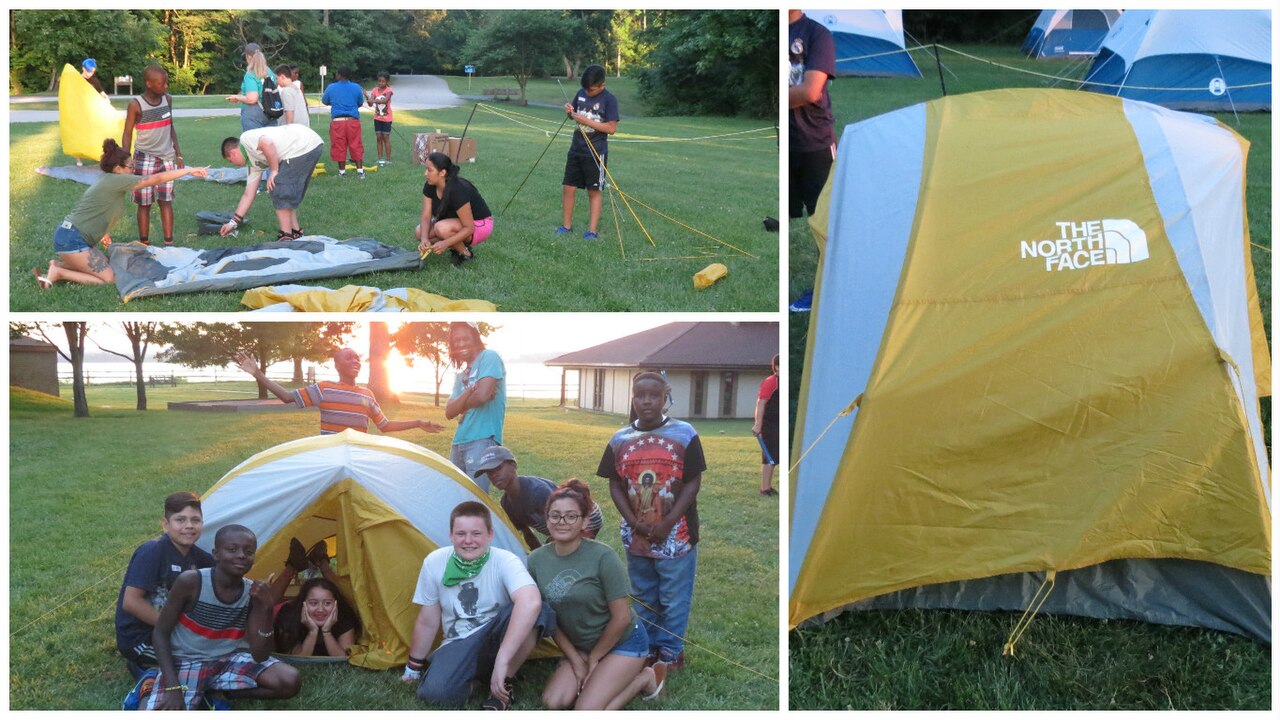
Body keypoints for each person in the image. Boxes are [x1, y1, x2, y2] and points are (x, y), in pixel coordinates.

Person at [597, 372, 705, 670]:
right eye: (640, 395)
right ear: (632, 398)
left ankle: (671, 651)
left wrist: (668, 522)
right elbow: (615, 484)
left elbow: (693, 480)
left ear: (664, 398)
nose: (647, 401)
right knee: (644, 593)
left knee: (673, 596)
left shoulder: (684, 434)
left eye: (654, 396)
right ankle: (648, 646)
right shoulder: (620, 439)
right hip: (637, 536)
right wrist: (634, 522)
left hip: (676, 535)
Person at [402, 501, 555, 710]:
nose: (468, 541)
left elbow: (530, 601)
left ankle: (503, 685)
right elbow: (428, 620)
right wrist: (413, 668)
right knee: (435, 694)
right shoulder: (434, 562)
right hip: (459, 642)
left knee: (538, 611)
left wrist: (502, 660)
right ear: (451, 535)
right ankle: (477, 681)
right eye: (461, 534)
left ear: (490, 535)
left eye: (476, 533)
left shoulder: (505, 560)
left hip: (497, 638)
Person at [528, 480, 665, 710]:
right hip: (581, 646)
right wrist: (575, 660)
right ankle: (599, 673)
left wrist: (594, 659)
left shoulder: (603, 557)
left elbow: (621, 618)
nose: (562, 522)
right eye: (555, 515)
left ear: (584, 521)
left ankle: (645, 678)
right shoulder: (535, 560)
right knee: (553, 701)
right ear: (547, 519)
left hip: (623, 642)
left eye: (571, 516)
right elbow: (550, 618)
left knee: (586, 710)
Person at [135, 525, 301, 710]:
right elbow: (160, 633)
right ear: (215, 554)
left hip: (226, 660)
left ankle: (220, 693)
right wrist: (173, 687)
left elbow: (260, 655)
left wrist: (267, 609)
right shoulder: (191, 582)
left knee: (289, 680)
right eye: (232, 549)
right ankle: (152, 680)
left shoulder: (251, 592)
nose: (241, 555)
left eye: (249, 552)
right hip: (186, 661)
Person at [35, 139, 208, 288]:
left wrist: (103, 235)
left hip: (70, 236)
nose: (133, 170)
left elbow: (96, 211)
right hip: (71, 240)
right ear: (118, 168)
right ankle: (58, 273)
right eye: (131, 167)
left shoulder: (108, 181)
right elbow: (155, 179)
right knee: (108, 278)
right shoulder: (115, 180)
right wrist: (188, 171)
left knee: (106, 263)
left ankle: (57, 265)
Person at [115, 492, 215, 682]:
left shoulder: (200, 558)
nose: (189, 526)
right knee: (196, 664)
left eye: (195, 520)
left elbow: (222, 580)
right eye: (180, 520)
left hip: (174, 634)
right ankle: (144, 670)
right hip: (141, 637)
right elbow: (131, 602)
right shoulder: (152, 551)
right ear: (165, 524)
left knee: (215, 655)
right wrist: (178, 629)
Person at [234, 347, 443, 436]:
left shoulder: (367, 395)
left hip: (356, 460)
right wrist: (257, 373)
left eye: (357, 358)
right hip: (330, 459)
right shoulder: (324, 389)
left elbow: (385, 426)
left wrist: (418, 423)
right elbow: (287, 397)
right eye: (348, 358)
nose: (355, 361)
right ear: (337, 365)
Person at [473, 446, 604, 549]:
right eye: (489, 473)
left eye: (498, 468)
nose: (493, 475)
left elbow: (567, 521)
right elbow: (527, 533)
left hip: (586, 517)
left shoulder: (537, 492)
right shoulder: (507, 503)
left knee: (570, 552)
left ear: (513, 466)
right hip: (561, 523)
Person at [218, 124, 325, 240]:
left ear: (233, 152)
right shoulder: (254, 165)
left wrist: (274, 170)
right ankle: (295, 232)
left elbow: (267, 143)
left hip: (303, 143)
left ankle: (286, 235)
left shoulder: (246, 139)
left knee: (278, 187)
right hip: (310, 144)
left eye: (231, 161)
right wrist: (233, 223)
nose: (234, 164)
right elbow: (249, 194)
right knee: (287, 193)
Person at [122, 64, 184, 247]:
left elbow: (170, 126)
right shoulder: (136, 105)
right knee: (144, 203)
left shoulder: (168, 99)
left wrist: (178, 154)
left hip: (167, 157)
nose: (166, 86)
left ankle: (169, 243)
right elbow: (127, 133)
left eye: (166, 83)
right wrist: (126, 160)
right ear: (149, 84)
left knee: (166, 201)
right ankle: (144, 243)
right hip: (144, 158)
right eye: (161, 84)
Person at [556, 64, 619, 241]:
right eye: (585, 89)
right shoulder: (581, 93)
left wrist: (585, 121)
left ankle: (591, 231)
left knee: (593, 191)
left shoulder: (609, 100)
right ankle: (566, 227)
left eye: (591, 90)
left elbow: (611, 128)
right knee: (568, 187)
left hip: (596, 152)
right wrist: (570, 113)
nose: (587, 92)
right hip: (576, 148)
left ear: (602, 85)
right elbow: (574, 116)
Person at [445, 322, 507, 490]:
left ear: (476, 338)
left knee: (476, 497)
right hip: (458, 442)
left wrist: (461, 405)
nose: (461, 344)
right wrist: (469, 394)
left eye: (465, 338)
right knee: (456, 494)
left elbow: (482, 395)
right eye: (456, 340)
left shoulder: (489, 357)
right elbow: (449, 412)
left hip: (483, 439)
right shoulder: (461, 376)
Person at [788, 9, 836, 218]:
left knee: (825, 217)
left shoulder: (817, 33)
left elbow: (810, 91)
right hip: (785, 142)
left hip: (814, 143)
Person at [416, 152, 494, 267]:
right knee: (419, 231)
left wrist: (445, 243)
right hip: (455, 222)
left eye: (429, 170)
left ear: (442, 173)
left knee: (441, 228)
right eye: (426, 169)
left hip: (480, 224)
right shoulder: (430, 185)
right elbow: (426, 216)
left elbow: (469, 228)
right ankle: (456, 245)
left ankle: (466, 254)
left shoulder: (458, 190)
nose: (425, 173)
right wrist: (424, 239)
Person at [273, 577, 361, 657]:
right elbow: (298, 659)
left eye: (327, 603)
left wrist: (327, 632)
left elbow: (344, 658)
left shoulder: (344, 615)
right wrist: (312, 631)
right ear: (303, 604)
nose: (320, 610)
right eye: (313, 603)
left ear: (336, 604)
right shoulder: (289, 616)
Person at [321, 66, 366, 178]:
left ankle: (342, 172)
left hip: (338, 122)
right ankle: (360, 171)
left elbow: (324, 101)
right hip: (353, 121)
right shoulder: (356, 87)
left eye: (337, 74)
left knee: (339, 145)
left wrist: (335, 102)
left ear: (339, 75)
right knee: (356, 144)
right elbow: (360, 102)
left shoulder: (331, 87)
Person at [226, 43, 277, 133]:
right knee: (269, 140)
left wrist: (237, 98)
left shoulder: (251, 74)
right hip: (271, 111)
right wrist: (240, 96)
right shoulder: (269, 71)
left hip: (254, 112)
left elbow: (252, 99)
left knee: (253, 141)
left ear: (248, 57)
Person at [752, 354, 780, 497]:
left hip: (778, 423)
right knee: (770, 457)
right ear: (777, 367)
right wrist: (758, 424)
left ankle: (768, 486)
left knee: (776, 457)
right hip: (769, 424)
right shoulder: (771, 382)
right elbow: (761, 403)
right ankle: (764, 489)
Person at [367, 72, 394, 165]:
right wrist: (366, 96)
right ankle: (380, 159)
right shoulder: (375, 90)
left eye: (383, 81)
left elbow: (385, 100)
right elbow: (370, 104)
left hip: (387, 118)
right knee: (378, 138)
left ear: (387, 81)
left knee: (386, 137)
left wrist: (373, 100)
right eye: (379, 81)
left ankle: (388, 159)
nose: (380, 83)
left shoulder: (389, 90)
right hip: (377, 118)